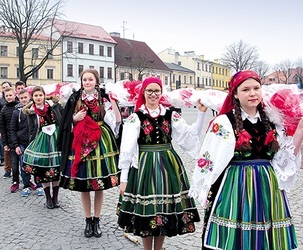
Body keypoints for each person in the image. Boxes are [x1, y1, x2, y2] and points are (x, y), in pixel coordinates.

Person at [189, 70, 303, 250]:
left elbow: (284, 158)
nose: (252, 93)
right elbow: (209, 160)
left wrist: (300, 132)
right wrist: (206, 191)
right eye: (245, 89)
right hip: (236, 186)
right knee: (236, 240)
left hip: (268, 187)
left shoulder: (272, 120)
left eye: (256, 88)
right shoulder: (223, 122)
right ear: (235, 94)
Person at [116, 76, 206, 250]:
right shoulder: (137, 117)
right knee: (147, 212)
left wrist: (201, 113)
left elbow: (189, 135)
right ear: (143, 92)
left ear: (161, 92)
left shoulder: (170, 114)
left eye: (156, 90)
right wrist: (124, 178)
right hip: (145, 167)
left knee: (164, 210)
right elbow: (127, 149)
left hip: (168, 166)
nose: (153, 94)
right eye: (149, 90)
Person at [57, 68, 122, 237]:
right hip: (80, 140)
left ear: (96, 81)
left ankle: (97, 219)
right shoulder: (75, 98)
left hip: (100, 140)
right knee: (84, 185)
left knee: (99, 184)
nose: (87, 82)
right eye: (84, 79)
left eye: (90, 79)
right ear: (81, 82)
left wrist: (114, 101)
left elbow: (116, 120)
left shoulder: (103, 97)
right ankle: (88, 220)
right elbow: (64, 121)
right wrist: (74, 118)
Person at [22, 86, 63, 208]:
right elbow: (31, 129)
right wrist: (32, 142)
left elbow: (60, 120)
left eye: (40, 95)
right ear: (32, 98)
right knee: (42, 169)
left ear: (44, 96)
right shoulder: (31, 111)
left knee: (55, 168)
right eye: (36, 96)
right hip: (40, 140)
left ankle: (55, 197)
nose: (38, 98)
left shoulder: (53, 106)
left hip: (54, 138)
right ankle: (48, 198)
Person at [10, 89, 38, 197]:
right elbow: (12, 129)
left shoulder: (35, 110)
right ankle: (26, 185)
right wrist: (16, 145)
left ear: (30, 97)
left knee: (36, 164)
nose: (24, 100)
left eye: (25, 97)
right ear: (19, 99)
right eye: (21, 98)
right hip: (22, 142)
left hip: (35, 142)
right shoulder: (16, 112)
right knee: (24, 165)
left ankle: (39, 184)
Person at [0, 87, 20, 190]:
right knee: (14, 163)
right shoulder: (3, 109)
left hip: (21, 138)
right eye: (6, 96)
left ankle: (27, 180)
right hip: (10, 138)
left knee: (24, 163)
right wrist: (5, 143)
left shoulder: (20, 106)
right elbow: (2, 127)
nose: (9, 97)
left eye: (10, 95)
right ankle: (15, 181)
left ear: (15, 95)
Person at [0, 81, 12, 171]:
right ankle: (7, 169)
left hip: (14, 128)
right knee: (6, 150)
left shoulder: (15, 99)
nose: (5, 88)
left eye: (7, 87)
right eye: (3, 87)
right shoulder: (0, 101)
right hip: (4, 128)